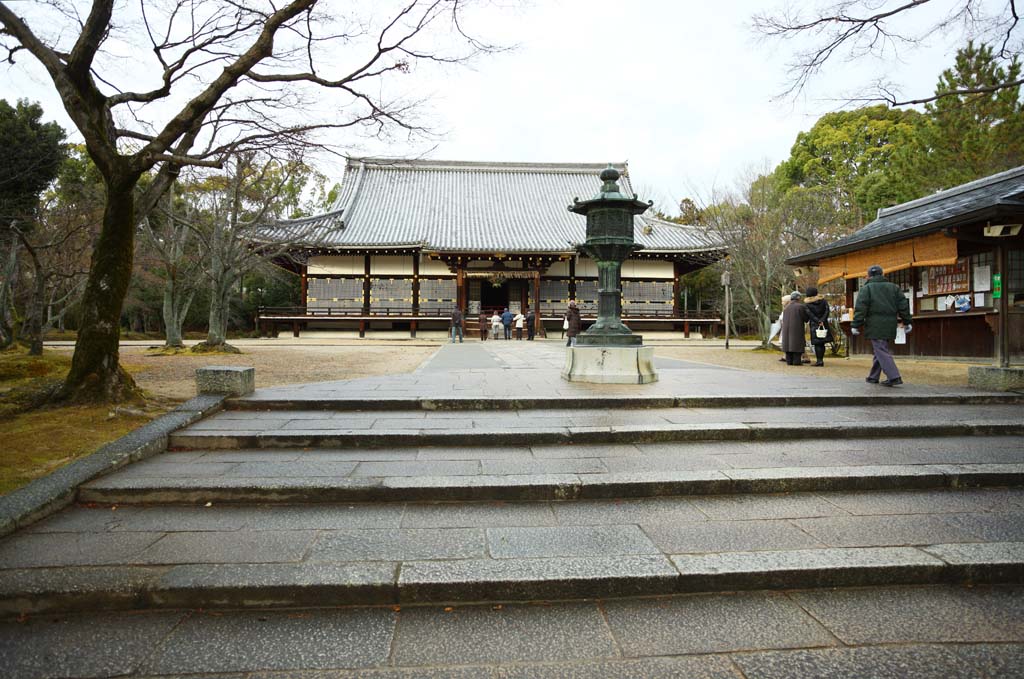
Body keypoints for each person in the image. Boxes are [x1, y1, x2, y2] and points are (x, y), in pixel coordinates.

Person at [852, 264, 912, 386]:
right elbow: (903, 306)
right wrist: (907, 321)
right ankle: (873, 376)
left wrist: (855, 324)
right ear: (882, 274)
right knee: (880, 348)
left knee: (880, 349)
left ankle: (894, 376)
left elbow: (861, 308)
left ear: (868, 276)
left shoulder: (866, 289)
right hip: (890, 323)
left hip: (874, 323)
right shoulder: (894, 288)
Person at [803, 286, 833, 367]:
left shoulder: (807, 304)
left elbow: (810, 314)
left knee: (817, 343)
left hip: (814, 324)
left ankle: (819, 361)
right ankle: (821, 360)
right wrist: (822, 320)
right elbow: (827, 310)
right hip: (824, 323)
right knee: (822, 343)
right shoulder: (823, 301)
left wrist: (818, 321)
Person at [780, 291, 808, 365]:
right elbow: (806, 318)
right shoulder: (801, 306)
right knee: (796, 345)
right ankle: (796, 362)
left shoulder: (786, 307)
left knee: (788, 344)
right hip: (797, 329)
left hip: (786, 330)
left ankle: (789, 361)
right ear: (798, 298)